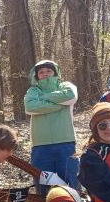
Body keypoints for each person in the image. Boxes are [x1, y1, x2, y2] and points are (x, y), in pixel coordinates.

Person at [23, 60, 79, 193]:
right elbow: (30, 107)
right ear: (37, 76)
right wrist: (59, 104)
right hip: (40, 146)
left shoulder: (66, 85)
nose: (45, 74)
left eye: (49, 71)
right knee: (44, 183)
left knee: (70, 182)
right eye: (41, 72)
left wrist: (44, 98)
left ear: (55, 72)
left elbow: (71, 96)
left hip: (66, 142)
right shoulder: (33, 91)